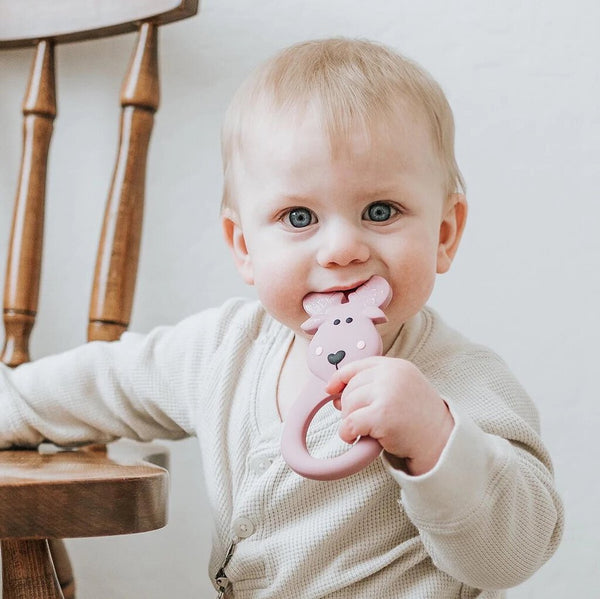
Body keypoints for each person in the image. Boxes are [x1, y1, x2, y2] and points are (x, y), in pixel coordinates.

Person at [0, 38, 563, 597]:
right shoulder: (224, 349)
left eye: (380, 210)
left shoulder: (465, 381)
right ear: (243, 245)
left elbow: (514, 554)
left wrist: (437, 441)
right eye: (299, 216)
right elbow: (98, 385)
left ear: (443, 233)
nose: (342, 247)